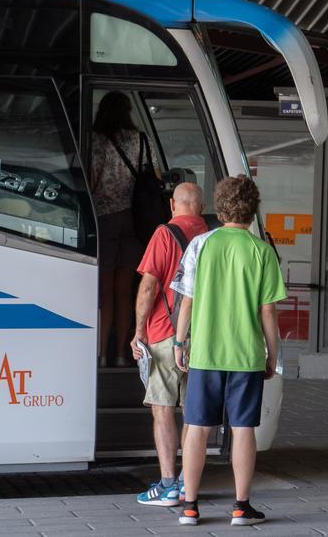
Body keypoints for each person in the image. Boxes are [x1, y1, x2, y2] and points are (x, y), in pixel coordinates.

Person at [170, 175, 284, 526]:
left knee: (197, 427)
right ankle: (241, 507)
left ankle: (189, 506)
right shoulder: (262, 251)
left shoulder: (201, 245)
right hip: (246, 356)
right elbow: (268, 311)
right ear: (252, 209)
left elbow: (186, 302)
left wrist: (179, 341)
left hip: (205, 353)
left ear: (219, 208)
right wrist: (272, 354)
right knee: (243, 429)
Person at [130, 182, 208, 507]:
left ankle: (167, 485)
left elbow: (149, 288)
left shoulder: (165, 234)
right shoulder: (212, 237)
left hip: (165, 332)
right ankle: (188, 485)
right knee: (193, 414)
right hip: (201, 337)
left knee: (163, 411)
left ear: (173, 205)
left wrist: (139, 332)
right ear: (200, 208)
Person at [90, 91, 154, 367]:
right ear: (128, 111)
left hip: (104, 220)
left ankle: (102, 354)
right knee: (125, 292)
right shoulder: (140, 140)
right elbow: (153, 177)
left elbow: (92, 181)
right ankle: (120, 354)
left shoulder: (97, 141)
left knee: (105, 294)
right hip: (133, 220)